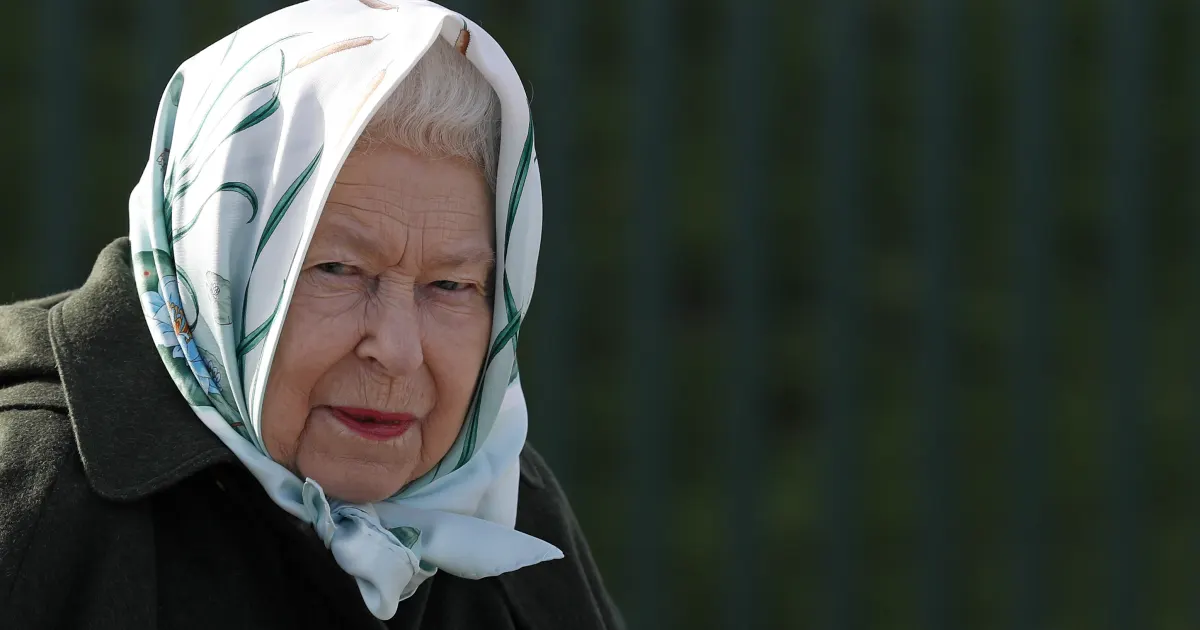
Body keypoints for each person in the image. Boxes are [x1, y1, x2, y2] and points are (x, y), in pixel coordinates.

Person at [0, 1, 621, 628]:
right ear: (220, 255)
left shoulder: (507, 511)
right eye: (338, 270)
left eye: (452, 285)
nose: (398, 350)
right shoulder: (34, 490)